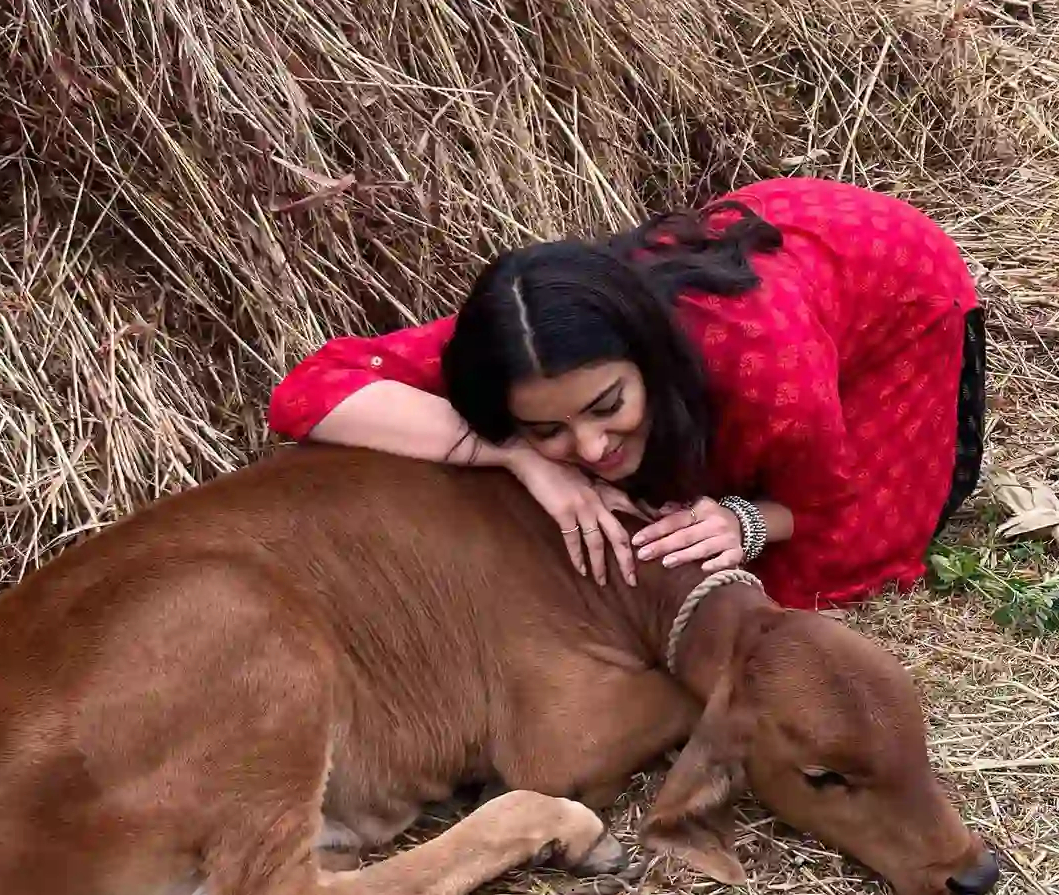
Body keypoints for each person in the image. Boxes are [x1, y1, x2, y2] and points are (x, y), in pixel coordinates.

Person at [267, 177, 985, 610]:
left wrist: (750, 523)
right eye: (548, 427)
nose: (590, 450)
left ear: (647, 358)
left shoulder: (769, 371)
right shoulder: (533, 338)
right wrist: (517, 456)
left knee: (828, 567)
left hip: (893, 281)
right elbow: (312, 393)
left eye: (607, 407)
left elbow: (831, 501)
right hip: (768, 250)